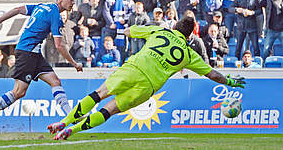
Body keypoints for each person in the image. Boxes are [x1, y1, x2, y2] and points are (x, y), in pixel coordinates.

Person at [47, 16, 245, 140]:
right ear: (189, 36)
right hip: (148, 85)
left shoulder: (160, 30)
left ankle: (64, 122)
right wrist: (230, 81)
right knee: (111, 109)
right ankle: (72, 132)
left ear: (175, 26)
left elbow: (128, 31)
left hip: (134, 68)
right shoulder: (189, 54)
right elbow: (212, 73)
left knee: (99, 94)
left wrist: (127, 29)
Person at [0, 0, 83, 132]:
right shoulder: (55, 16)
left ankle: (71, 116)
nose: (72, 3)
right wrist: (74, 63)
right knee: (19, 92)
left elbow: (17, 10)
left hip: (34, 52)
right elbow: (59, 46)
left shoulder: (41, 7)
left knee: (55, 81)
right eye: (71, 0)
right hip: (27, 52)